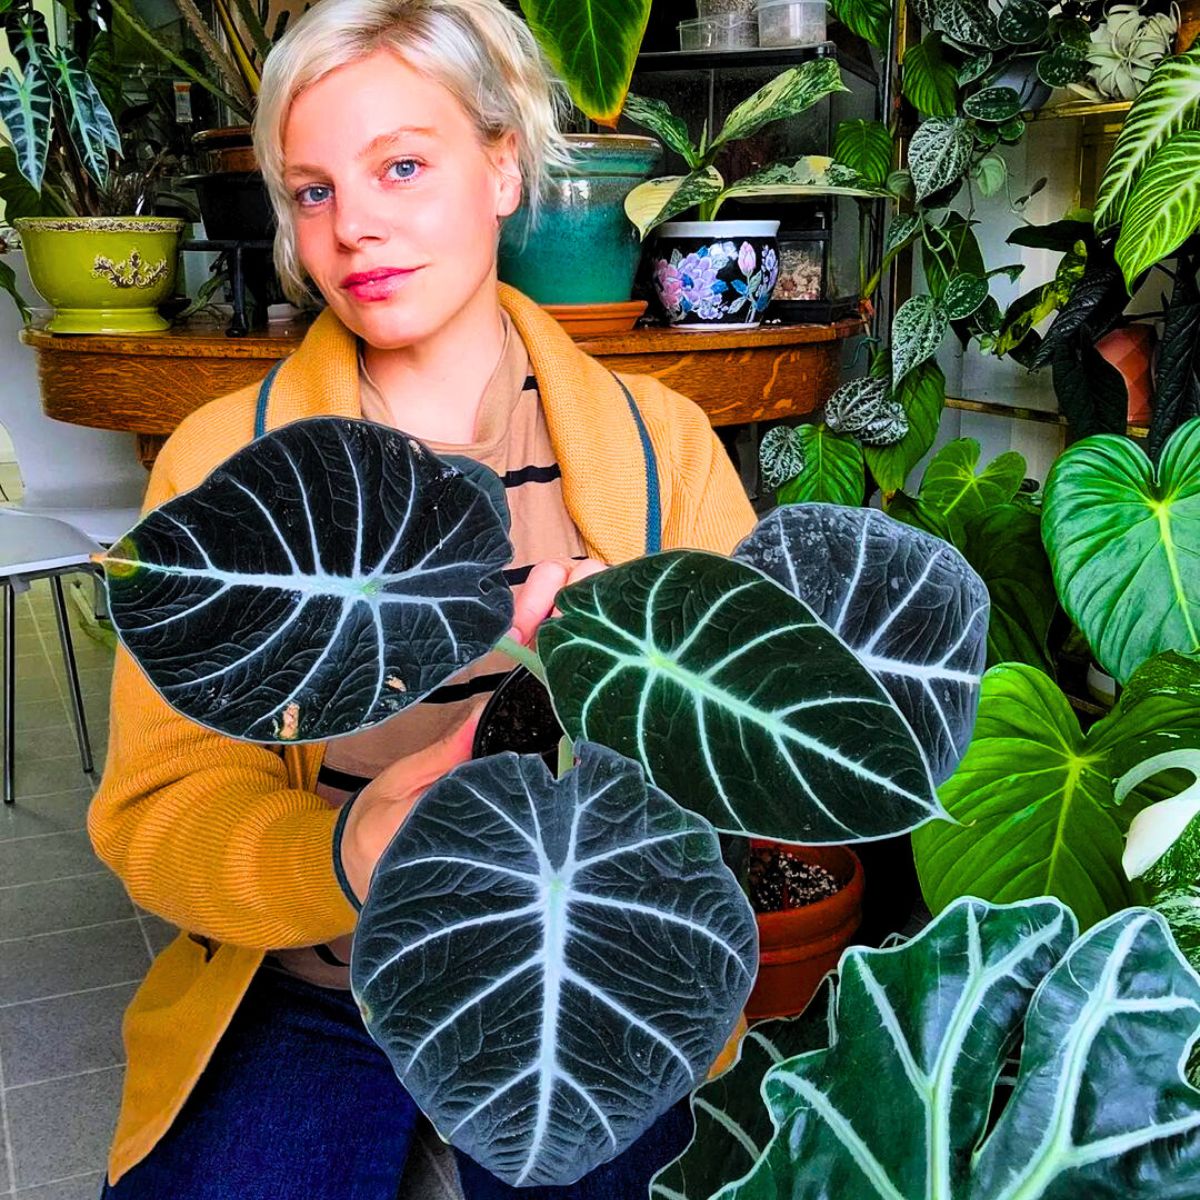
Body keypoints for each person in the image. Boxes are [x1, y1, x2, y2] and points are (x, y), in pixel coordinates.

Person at [90, 1, 757, 1196]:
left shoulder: (661, 449)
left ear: (503, 164)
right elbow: (155, 814)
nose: (355, 229)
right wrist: (345, 847)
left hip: (579, 973)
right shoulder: (225, 462)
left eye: (402, 164)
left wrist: (637, 674)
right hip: (314, 989)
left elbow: (753, 760)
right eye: (313, 191)